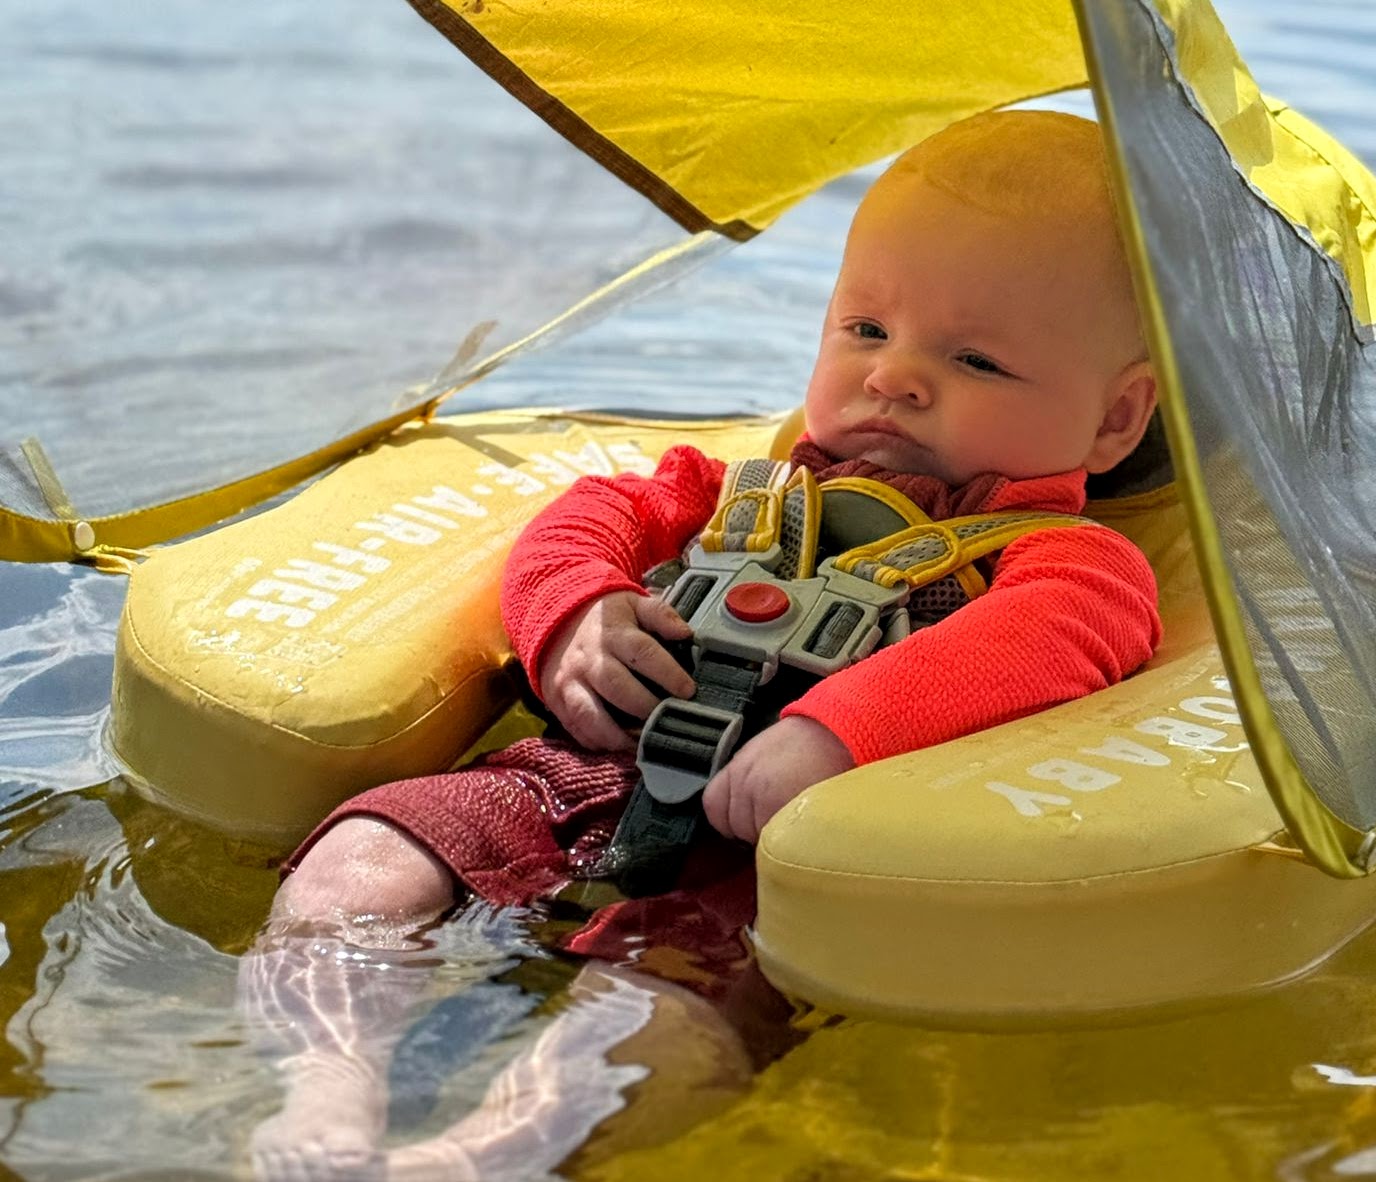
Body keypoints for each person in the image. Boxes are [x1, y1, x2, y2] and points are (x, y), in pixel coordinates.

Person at [242, 108, 1163, 1181]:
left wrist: (837, 733)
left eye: (976, 359)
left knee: (670, 1003)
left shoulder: (1070, 563)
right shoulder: (738, 493)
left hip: (778, 868)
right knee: (367, 854)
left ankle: (481, 1159)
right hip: (579, 778)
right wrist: (578, 613)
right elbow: (587, 520)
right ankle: (326, 1095)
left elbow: (1034, 643)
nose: (893, 377)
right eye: (866, 329)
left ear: (1115, 420)